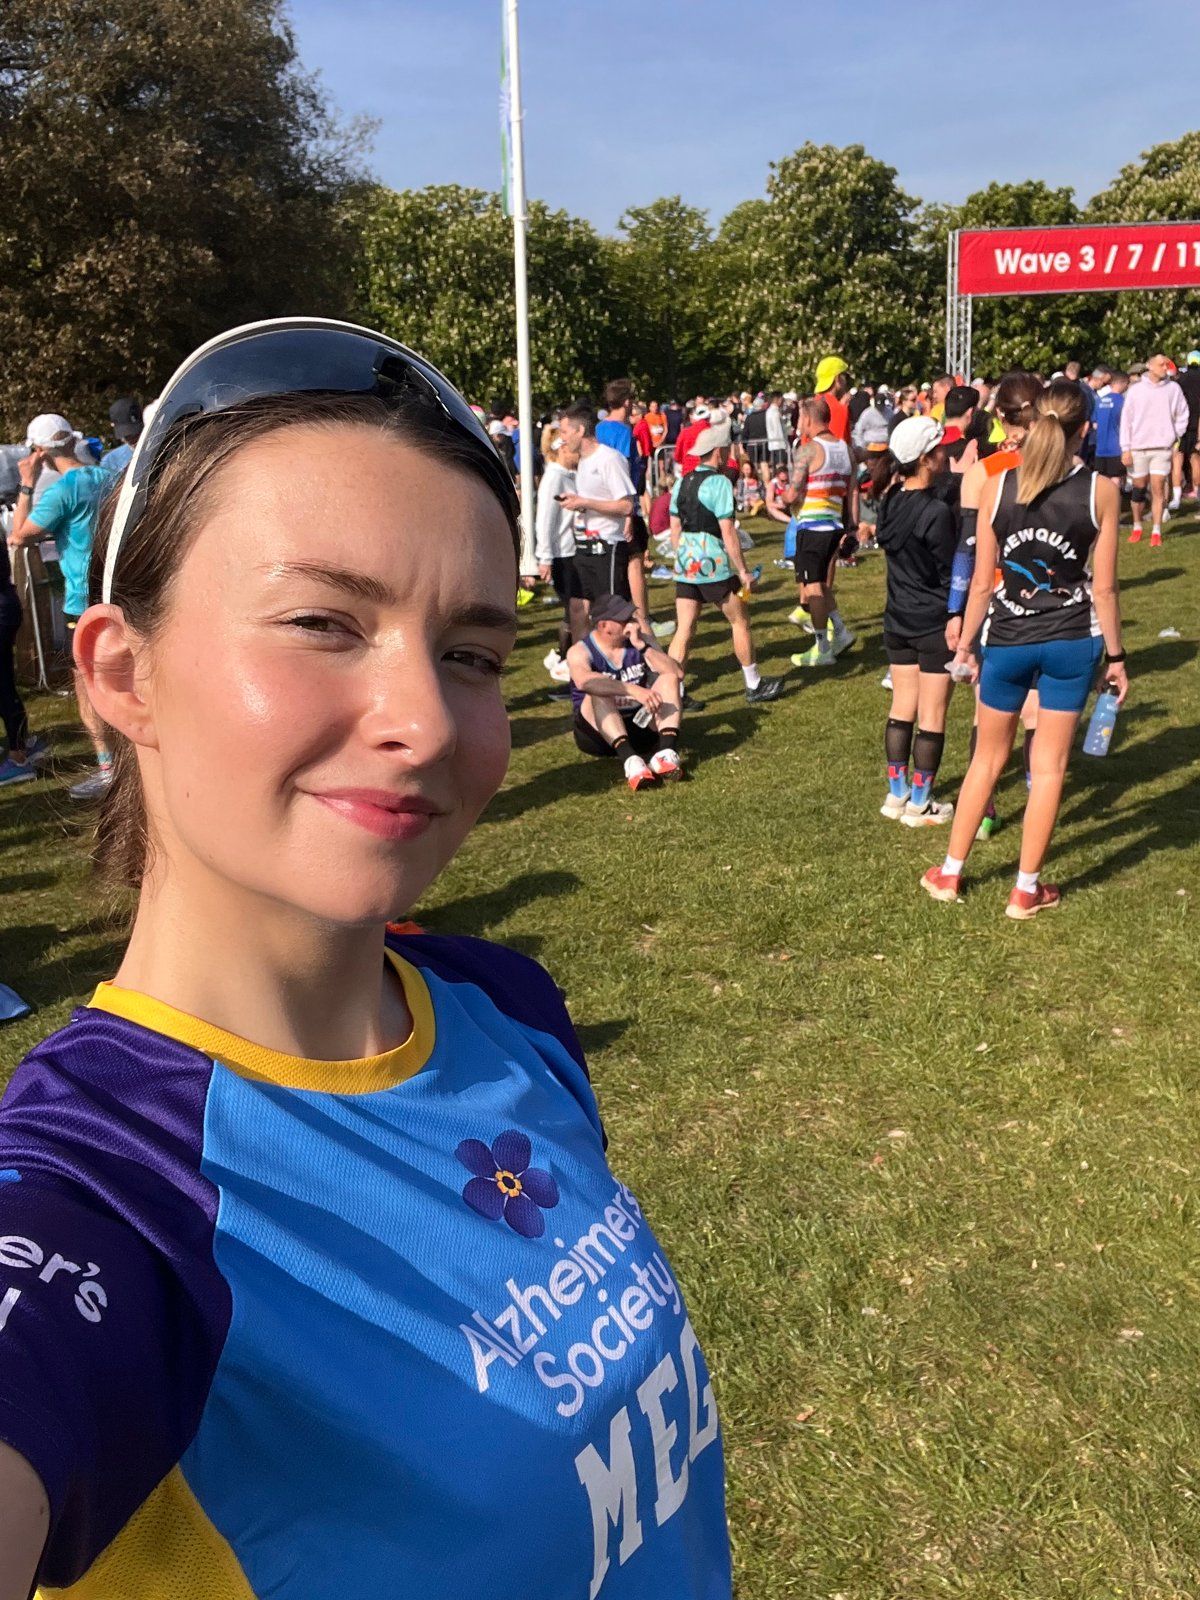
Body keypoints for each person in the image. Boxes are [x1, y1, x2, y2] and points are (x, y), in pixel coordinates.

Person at [0, 319, 731, 1598]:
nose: (425, 721)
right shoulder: (107, 1195)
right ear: (122, 672)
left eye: (471, 654)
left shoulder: (502, 1006)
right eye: (323, 622)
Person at [923, 379, 1127, 918]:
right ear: (1086, 429)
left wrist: (965, 645)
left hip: (1008, 638)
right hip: (1071, 640)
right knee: (1050, 767)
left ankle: (950, 872)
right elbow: (1105, 589)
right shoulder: (1102, 491)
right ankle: (1025, 889)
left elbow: (982, 585)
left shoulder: (996, 485)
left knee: (986, 760)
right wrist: (1117, 658)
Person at [946, 371, 1043, 839]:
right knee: (1037, 715)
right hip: (1051, 600)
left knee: (986, 714)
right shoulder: (1066, 467)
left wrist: (955, 610)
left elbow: (967, 551)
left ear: (998, 416)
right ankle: (1040, 802)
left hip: (996, 601)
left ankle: (983, 811)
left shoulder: (983, 472)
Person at [8, 413, 115, 799]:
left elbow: (19, 535)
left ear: (40, 451)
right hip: (118, 588)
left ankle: (108, 768)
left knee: (88, 685)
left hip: (82, 599)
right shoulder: (108, 477)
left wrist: (27, 482)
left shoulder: (63, 490)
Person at [873, 416, 957, 826]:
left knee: (902, 705)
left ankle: (897, 792)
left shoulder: (890, 501)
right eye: (940, 450)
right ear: (926, 458)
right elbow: (947, 570)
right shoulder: (936, 512)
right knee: (932, 714)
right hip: (933, 622)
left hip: (897, 619)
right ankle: (920, 802)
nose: (946, 456)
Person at [667, 419, 784, 706]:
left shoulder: (682, 482)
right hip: (712, 563)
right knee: (739, 620)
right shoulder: (719, 483)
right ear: (718, 452)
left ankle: (674, 691)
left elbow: (674, 527)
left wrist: (681, 557)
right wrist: (743, 571)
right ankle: (753, 683)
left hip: (686, 563)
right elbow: (728, 531)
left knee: (684, 628)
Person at [568, 593, 685, 787]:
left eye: (630, 616)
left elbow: (677, 673)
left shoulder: (639, 641)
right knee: (597, 690)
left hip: (639, 725)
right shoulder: (580, 651)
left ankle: (665, 753)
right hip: (597, 734)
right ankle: (631, 761)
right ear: (604, 625)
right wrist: (634, 690)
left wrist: (643, 646)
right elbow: (583, 682)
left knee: (669, 678)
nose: (631, 623)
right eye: (623, 619)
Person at [786, 397, 855, 667]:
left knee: (812, 587)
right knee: (822, 584)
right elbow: (851, 492)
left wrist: (780, 499)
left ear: (808, 419)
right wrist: (852, 526)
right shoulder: (845, 449)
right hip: (835, 524)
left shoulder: (808, 450)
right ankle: (841, 632)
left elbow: (793, 493)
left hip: (812, 525)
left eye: (800, 419)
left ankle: (822, 647)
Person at [556, 400, 637, 607]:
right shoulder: (583, 461)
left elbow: (626, 505)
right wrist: (579, 504)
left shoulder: (609, 459)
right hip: (584, 546)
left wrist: (585, 502)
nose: (561, 438)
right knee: (577, 609)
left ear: (580, 431)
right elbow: (596, 500)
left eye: (565, 432)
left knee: (613, 614)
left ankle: (641, 628)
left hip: (607, 546)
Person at [1119, 351, 1188, 545]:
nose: (1165, 367)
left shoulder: (1173, 389)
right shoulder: (1135, 391)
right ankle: (1137, 525)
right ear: (1149, 366)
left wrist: (1175, 435)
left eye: (1166, 364)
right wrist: (1126, 448)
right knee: (1139, 488)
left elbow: (1183, 413)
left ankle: (1156, 530)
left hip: (1162, 448)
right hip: (1138, 448)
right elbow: (1126, 420)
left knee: (1158, 487)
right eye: (1161, 364)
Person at [535, 434, 584, 676]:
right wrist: (544, 556)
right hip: (562, 552)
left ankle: (564, 655)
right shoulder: (554, 477)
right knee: (573, 608)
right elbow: (545, 518)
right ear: (563, 449)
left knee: (575, 607)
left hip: (572, 549)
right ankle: (566, 659)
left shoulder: (568, 475)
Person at [1091, 371, 1126, 487]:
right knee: (1115, 477)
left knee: (1102, 478)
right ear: (1122, 383)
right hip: (1116, 448)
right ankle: (1114, 497)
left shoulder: (1099, 400)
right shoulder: (1122, 401)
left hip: (1100, 447)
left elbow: (1094, 424)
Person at [1176, 350, 1200, 497]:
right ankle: (1197, 490)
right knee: (1195, 457)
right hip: (1197, 422)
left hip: (1182, 422)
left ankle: (1177, 491)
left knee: (1178, 457)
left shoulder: (1181, 379)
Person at [814, 357, 852, 446]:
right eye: (845, 376)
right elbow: (840, 447)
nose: (846, 381)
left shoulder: (811, 405)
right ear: (837, 378)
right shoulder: (838, 409)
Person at [100, 396, 143, 475]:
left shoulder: (162, 443)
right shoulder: (110, 462)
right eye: (127, 435)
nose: (133, 439)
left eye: (137, 433)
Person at [764, 393, 788, 472]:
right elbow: (777, 430)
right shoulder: (774, 412)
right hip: (778, 444)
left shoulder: (770, 411)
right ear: (779, 399)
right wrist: (784, 443)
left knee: (776, 468)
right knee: (781, 468)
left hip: (773, 444)